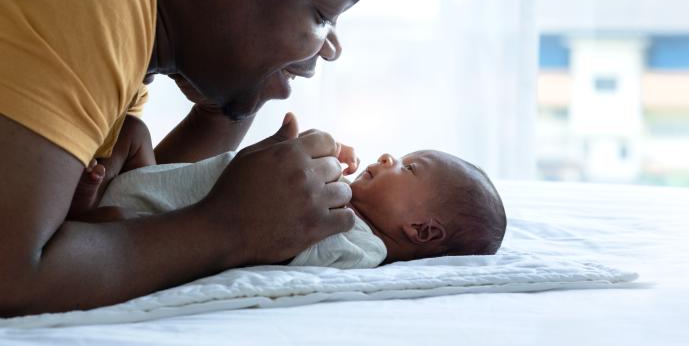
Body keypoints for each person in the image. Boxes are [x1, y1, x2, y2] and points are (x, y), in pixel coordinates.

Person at [0, 0, 383, 316]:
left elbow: (141, 210)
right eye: (323, 14)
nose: (329, 47)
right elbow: (13, 273)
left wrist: (232, 103)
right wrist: (232, 226)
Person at [98, 115, 508, 268]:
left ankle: (85, 211)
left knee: (116, 225)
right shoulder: (345, 201)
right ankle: (95, 193)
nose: (388, 157)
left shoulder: (363, 247)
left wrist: (314, 174)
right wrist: (320, 163)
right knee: (134, 130)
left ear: (424, 230)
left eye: (410, 167)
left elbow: (292, 239)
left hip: (153, 220)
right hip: (156, 183)